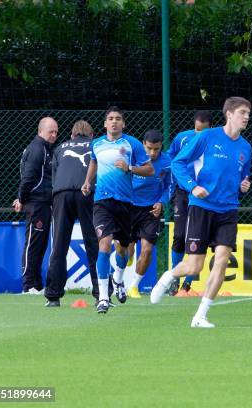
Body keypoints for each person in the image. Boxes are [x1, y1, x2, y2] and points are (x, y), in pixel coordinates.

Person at [150, 97, 252, 328]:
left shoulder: (246, 147)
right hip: (202, 207)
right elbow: (178, 163)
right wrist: (192, 186)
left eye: (248, 113)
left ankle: (200, 315)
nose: (246, 116)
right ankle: (168, 276)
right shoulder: (207, 137)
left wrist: (243, 186)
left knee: (222, 259)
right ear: (229, 114)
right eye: (242, 112)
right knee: (195, 266)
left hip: (228, 210)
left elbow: (242, 178)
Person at [81, 107, 154, 313]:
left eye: (118, 119)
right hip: (102, 201)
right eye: (110, 119)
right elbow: (94, 162)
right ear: (105, 124)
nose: (114, 122)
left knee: (123, 250)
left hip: (125, 203)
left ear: (124, 124)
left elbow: (150, 169)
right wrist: (88, 182)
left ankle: (119, 279)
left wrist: (130, 168)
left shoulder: (132, 144)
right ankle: (103, 297)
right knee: (104, 245)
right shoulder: (96, 144)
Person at [44, 120, 112, 306]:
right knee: (93, 243)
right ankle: (102, 293)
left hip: (62, 193)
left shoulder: (60, 147)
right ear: (91, 135)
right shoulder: (96, 145)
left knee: (59, 244)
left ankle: (53, 296)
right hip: (87, 192)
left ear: (72, 135)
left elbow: (55, 176)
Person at [119, 130, 171, 298]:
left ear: (161, 146)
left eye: (156, 149)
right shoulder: (131, 157)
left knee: (147, 250)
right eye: (149, 148)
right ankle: (126, 260)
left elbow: (170, 187)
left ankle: (133, 286)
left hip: (150, 211)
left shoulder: (167, 162)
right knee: (125, 249)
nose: (152, 153)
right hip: (129, 207)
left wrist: (161, 202)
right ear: (143, 144)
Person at [167, 110, 212, 296]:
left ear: (211, 127)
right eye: (197, 129)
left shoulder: (216, 141)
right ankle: (173, 281)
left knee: (199, 238)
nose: (199, 133)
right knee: (179, 236)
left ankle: (187, 285)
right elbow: (172, 160)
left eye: (203, 130)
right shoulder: (182, 138)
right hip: (184, 192)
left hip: (204, 194)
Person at [13, 117, 58, 295]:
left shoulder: (46, 149)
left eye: (56, 131)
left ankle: (37, 285)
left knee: (40, 244)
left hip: (44, 203)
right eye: (50, 131)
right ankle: (28, 285)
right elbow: (28, 179)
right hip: (36, 203)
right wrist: (21, 199)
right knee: (33, 244)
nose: (54, 135)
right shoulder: (37, 149)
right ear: (40, 131)